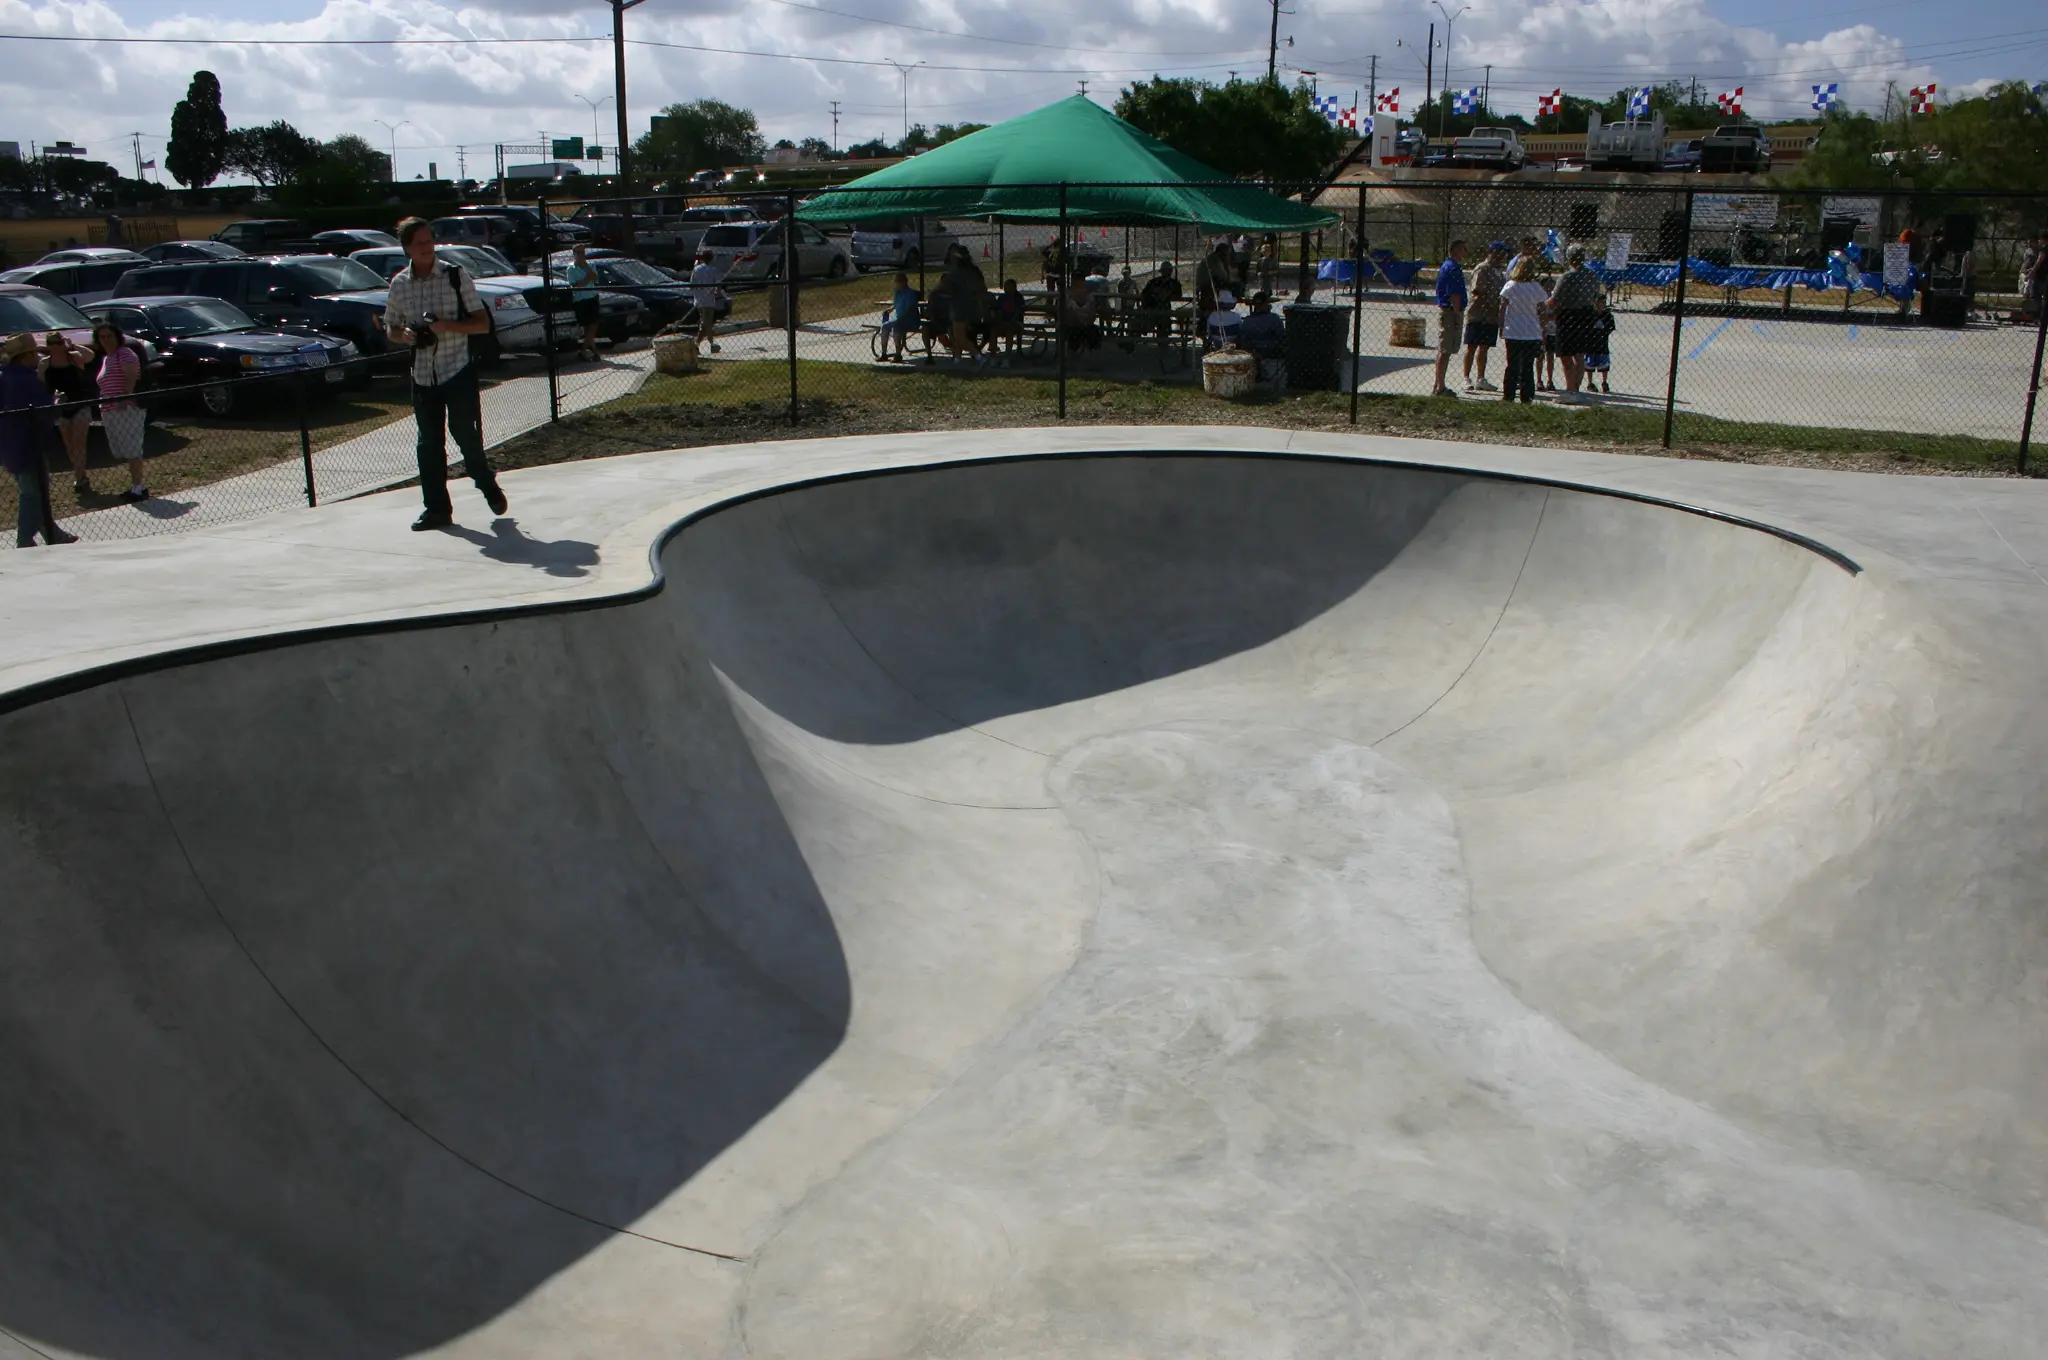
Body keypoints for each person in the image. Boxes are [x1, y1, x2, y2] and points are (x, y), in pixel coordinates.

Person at [383, 216, 506, 531]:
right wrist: (406, 335)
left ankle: (485, 481)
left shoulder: (455, 276)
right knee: (428, 444)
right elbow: (391, 327)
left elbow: (481, 323)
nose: (427, 248)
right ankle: (437, 509)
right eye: (419, 243)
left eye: (429, 241)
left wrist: (446, 325)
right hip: (423, 373)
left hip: (457, 367)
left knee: (465, 434)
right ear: (407, 249)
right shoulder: (399, 283)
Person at [2, 333, 76, 546]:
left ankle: (53, 534)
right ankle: (24, 541)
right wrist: (56, 401)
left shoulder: (3, 378)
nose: (36, 356)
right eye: (34, 352)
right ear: (26, 356)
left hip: (8, 446)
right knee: (33, 494)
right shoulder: (27, 380)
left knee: (35, 492)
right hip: (29, 445)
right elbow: (44, 412)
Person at [92, 319, 146, 501]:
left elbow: (131, 375)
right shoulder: (107, 358)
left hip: (126, 407)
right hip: (108, 409)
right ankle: (136, 485)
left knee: (132, 448)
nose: (106, 340)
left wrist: (124, 397)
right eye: (102, 337)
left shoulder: (125, 353)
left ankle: (139, 487)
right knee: (121, 449)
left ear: (117, 337)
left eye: (109, 336)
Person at [42, 330, 96, 494]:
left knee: (79, 442)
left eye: (58, 343)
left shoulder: (74, 357)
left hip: (80, 404)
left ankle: (80, 479)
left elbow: (90, 355)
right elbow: (43, 384)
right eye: (51, 344)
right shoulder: (46, 363)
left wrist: (71, 344)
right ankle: (80, 474)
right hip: (61, 407)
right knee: (69, 444)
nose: (56, 347)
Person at [1550, 244, 1605, 401]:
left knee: (1566, 355)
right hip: (1586, 314)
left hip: (1568, 315)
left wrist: (1541, 304)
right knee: (1579, 355)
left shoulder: (1567, 276)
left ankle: (1570, 389)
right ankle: (1576, 390)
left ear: (1569, 257)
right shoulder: (1592, 275)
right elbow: (1595, 296)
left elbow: (1555, 300)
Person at [1496, 257, 1546, 404]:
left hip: (1513, 330)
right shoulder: (1536, 287)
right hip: (1531, 331)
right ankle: (1527, 397)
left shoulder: (1510, 286)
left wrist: (1501, 325)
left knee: (1512, 365)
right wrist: (1542, 326)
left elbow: (1502, 307)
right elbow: (1542, 309)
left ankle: (1508, 396)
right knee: (1527, 366)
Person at [1463, 241, 1508, 392]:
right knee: (1472, 346)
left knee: (1484, 347)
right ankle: (1466, 378)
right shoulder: (1482, 269)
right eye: (1501, 252)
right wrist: (1487, 307)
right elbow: (1477, 291)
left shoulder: (1499, 272)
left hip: (1492, 317)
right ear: (1493, 252)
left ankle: (1480, 378)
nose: (1503, 256)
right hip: (1478, 314)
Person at [1431, 239, 1468, 397]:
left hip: (1449, 311)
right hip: (1450, 312)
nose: (1465, 253)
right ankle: (1440, 387)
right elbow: (1454, 294)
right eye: (1463, 249)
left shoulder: (1448, 266)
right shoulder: (1453, 268)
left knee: (1445, 349)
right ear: (1456, 250)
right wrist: (1458, 314)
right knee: (1445, 349)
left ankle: (1438, 384)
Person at [942, 244, 988, 365]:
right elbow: (982, 289)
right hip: (973, 307)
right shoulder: (974, 271)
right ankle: (957, 359)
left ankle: (978, 357)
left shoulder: (956, 272)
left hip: (960, 308)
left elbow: (944, 286)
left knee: (959, 336)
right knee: (959, 335)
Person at [563, 243, 601, 362]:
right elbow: (575, 285)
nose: (581, 255)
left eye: (583, 252)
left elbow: (595, 278)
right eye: (578, 253)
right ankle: (594, 353)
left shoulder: (590, 265)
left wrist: (587, 269)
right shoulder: (571, 268)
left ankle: (584, 350)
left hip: (592, 297)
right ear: (574, 254)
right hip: (581, 300)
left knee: (594, 325)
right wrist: (587, 279)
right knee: (586, 328)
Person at [1239, 291, 1286, 385]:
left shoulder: (1247, 320)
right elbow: (1281, 335)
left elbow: (1243, 339)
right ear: (1266, 304)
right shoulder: (1274, 318)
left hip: (1253, 350)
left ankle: (1258, 369)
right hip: (1271, 350)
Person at [688, 250, 723, 354]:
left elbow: (691, 284)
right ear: (712, 258)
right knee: (707, 322)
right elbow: (718, 286)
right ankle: (712, 344)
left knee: (704, 324)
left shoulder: (696, 269)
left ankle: (696, 344)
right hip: (708, 301)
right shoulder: (714, 270)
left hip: (699, 300)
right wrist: (717, 293)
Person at [884, 270, 919, 362]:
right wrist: (891, 309)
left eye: (898, 282)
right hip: (899, 319)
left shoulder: (910, 293)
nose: (897, 285)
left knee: (897, 326)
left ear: (904, 282)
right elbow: (896, 303)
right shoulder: (897, 292)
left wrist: (901, 319)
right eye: (896, 282)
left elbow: (910, 309)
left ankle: (898, 354)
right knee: (884, 326)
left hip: (910, 321)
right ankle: (884, 354)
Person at [992, 278, 1027, 363]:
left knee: (1009, 330)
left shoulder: (1018, 298)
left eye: (1009, 287)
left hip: (1016, 323)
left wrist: (1010, 322)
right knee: (993, 330)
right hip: (1004, 322)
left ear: (1014, 288)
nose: (1007, 289)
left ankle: (1007, 357)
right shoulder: (1002, 297)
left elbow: (1018, 313)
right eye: (1005, 287)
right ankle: (993, 357)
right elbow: (998, 311)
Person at [1584, 309, 1614, 394]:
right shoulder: (1589, 315)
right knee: (1589, 365)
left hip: (1602, 345)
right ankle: (1590, 383)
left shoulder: (1607, 315)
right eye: (1598, 302)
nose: (1600, 304)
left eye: (1602, 302)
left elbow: (1611, 328)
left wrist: (1603, 333)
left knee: (1604, 365)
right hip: (1590, 344)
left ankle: (1604, 382)